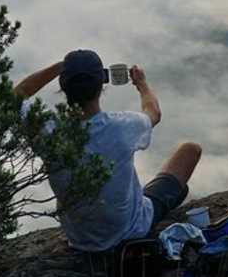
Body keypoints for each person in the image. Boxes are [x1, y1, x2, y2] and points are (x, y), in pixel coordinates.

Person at [14, 49, 202, 252]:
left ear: (63, 85)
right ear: (101, 84)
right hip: (132, 229)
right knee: (190, 150)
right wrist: (142, 84)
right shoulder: (122, 127)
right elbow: (153, 113)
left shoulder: (47, 130)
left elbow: (13, 98)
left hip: (79, 238)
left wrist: (61, 67)